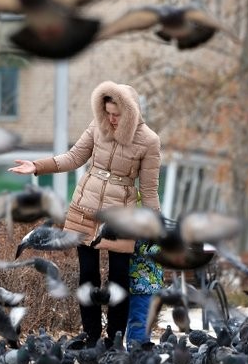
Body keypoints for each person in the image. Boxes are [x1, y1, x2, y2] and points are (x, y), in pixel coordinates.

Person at [9, 80, 161, 347]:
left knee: (119, 278)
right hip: (83, 209)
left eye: (118, 115)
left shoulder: (149, 141)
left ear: (132, 112)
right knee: (88, 275)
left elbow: (148, 191)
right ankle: (90, 337)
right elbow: (73, 157)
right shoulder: (97, 126)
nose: (112, 120)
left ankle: (115, 339)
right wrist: (36, 166)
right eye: (108, 113)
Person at [126, 240, 165, 345]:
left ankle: (142, 350)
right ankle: (137, 352)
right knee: (139, 321)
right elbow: (143, 248)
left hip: (150, 285)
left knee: (145, 321)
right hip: (141, 285)